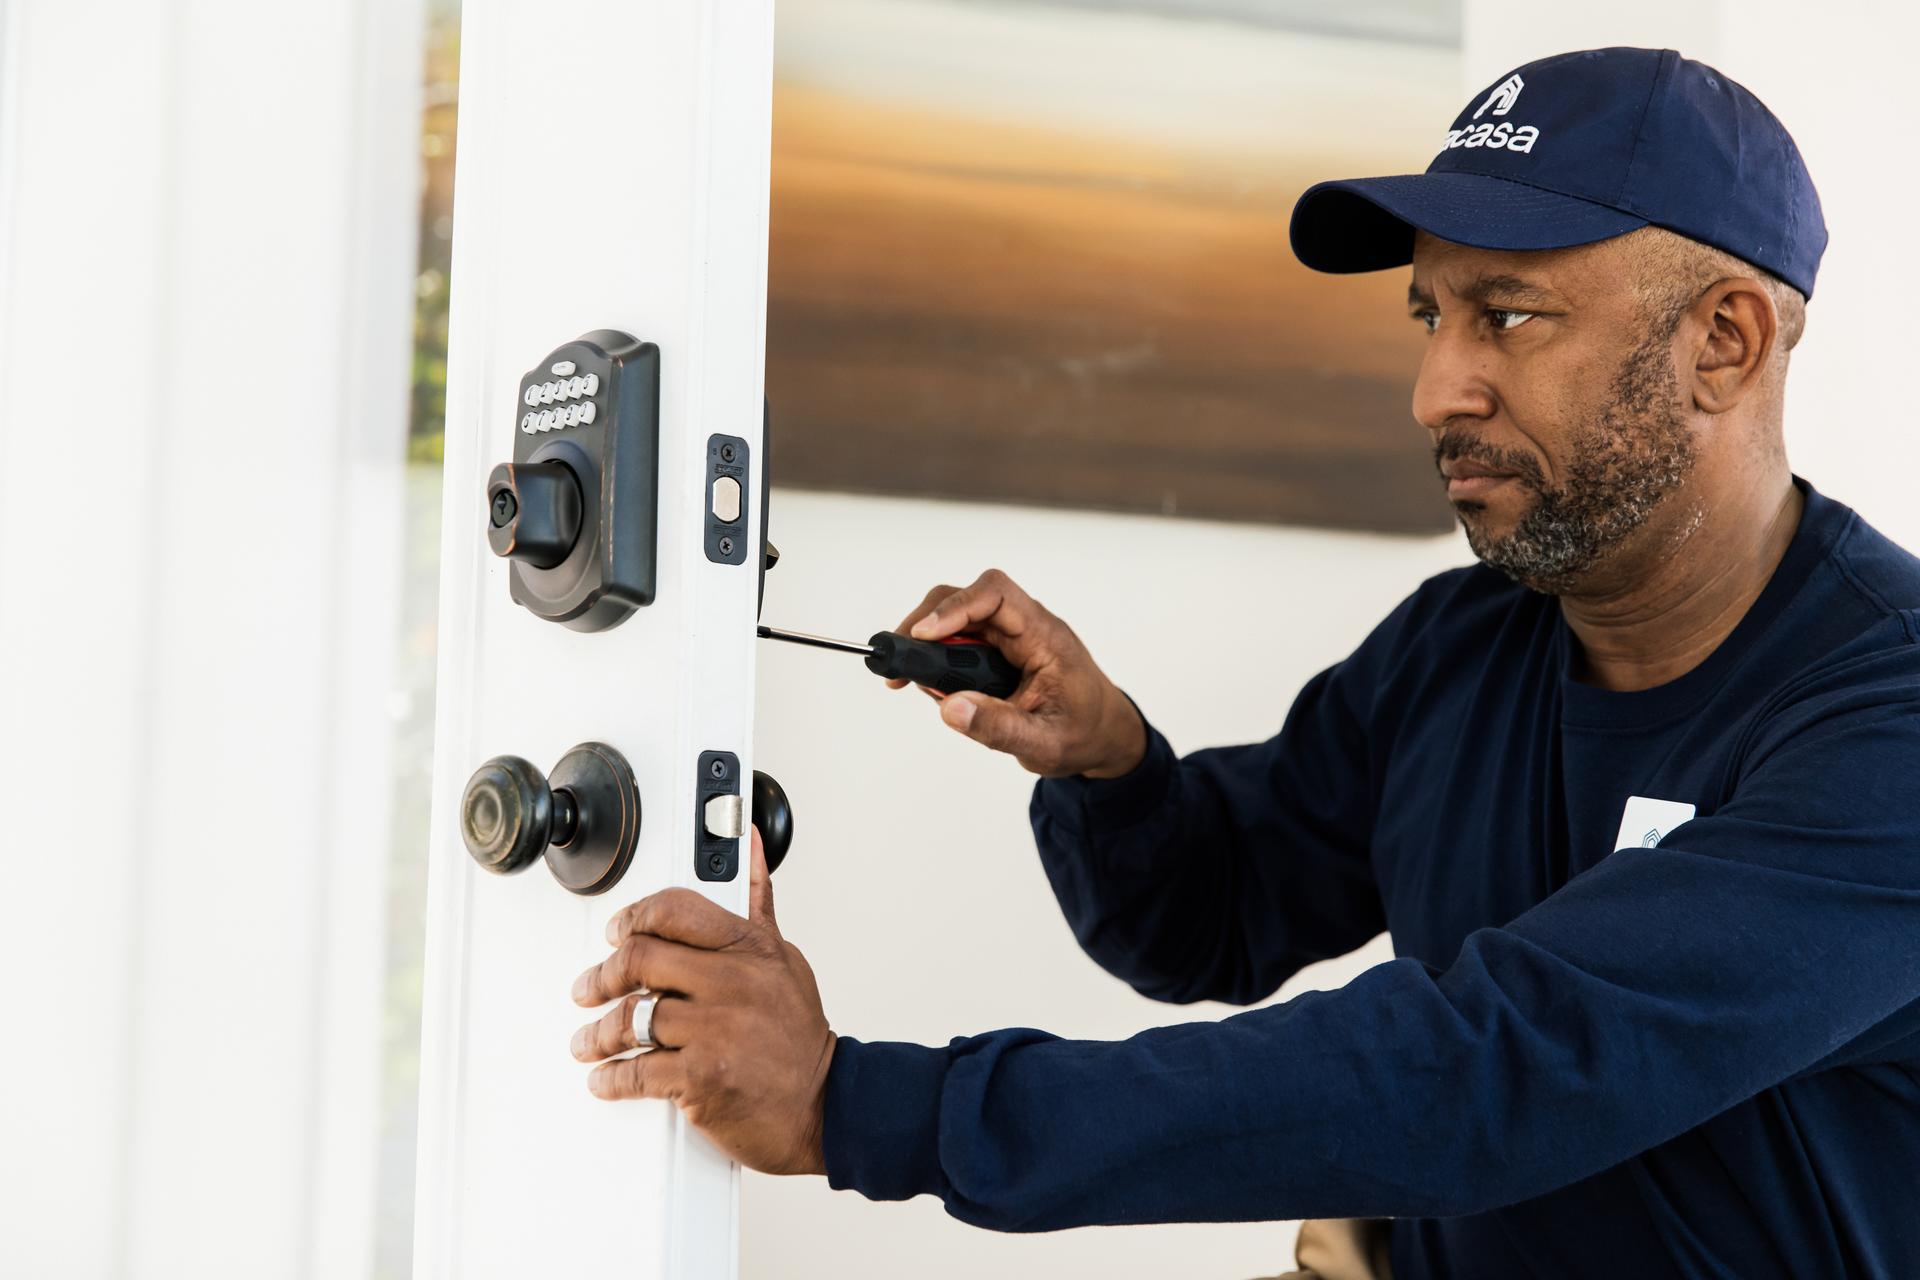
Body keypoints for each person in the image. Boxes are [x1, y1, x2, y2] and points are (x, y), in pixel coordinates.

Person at [564, 48, 1920, 1278]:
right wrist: (1108, 762)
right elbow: (1212, 916)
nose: (1436, 391)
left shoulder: (1890, 723)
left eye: (1507, 316)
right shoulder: (1459, 646)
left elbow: (1492, 1071)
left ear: (1724, 342)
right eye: (1430, 318)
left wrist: (855, 1105)